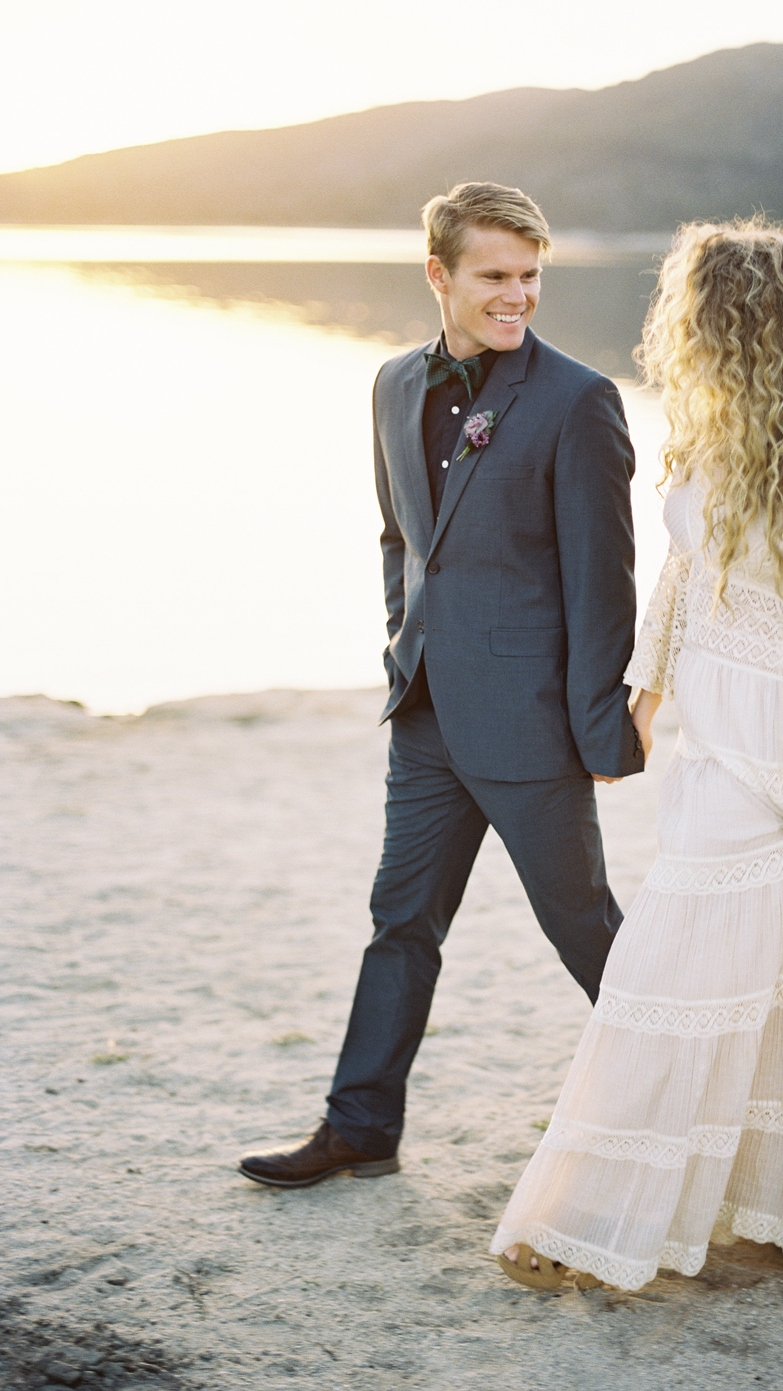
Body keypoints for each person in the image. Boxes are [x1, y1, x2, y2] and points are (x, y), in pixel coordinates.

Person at [491, 220, 783, 1289]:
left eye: (698, 316)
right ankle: (769, 1203)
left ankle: (599, 1208)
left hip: (774, 738)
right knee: (760, 960)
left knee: (685, 953)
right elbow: (680, 577)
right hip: (708, 721)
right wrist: (645, 695)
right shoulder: (713, 440)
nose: (682, 335)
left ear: (738, 325)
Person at [239, 182, 644, 1188]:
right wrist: (400, 643)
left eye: (530, 276)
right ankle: (359, 1126)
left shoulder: (578, 400)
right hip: (422, 711)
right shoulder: (387, 384)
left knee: (585, 927)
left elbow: (606, 580)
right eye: (495, 277)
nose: (518, 296)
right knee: (399, 918)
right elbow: (401, 539)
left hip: (530, 724)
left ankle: (701, 1103)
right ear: (438, 275)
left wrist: (601, 732)